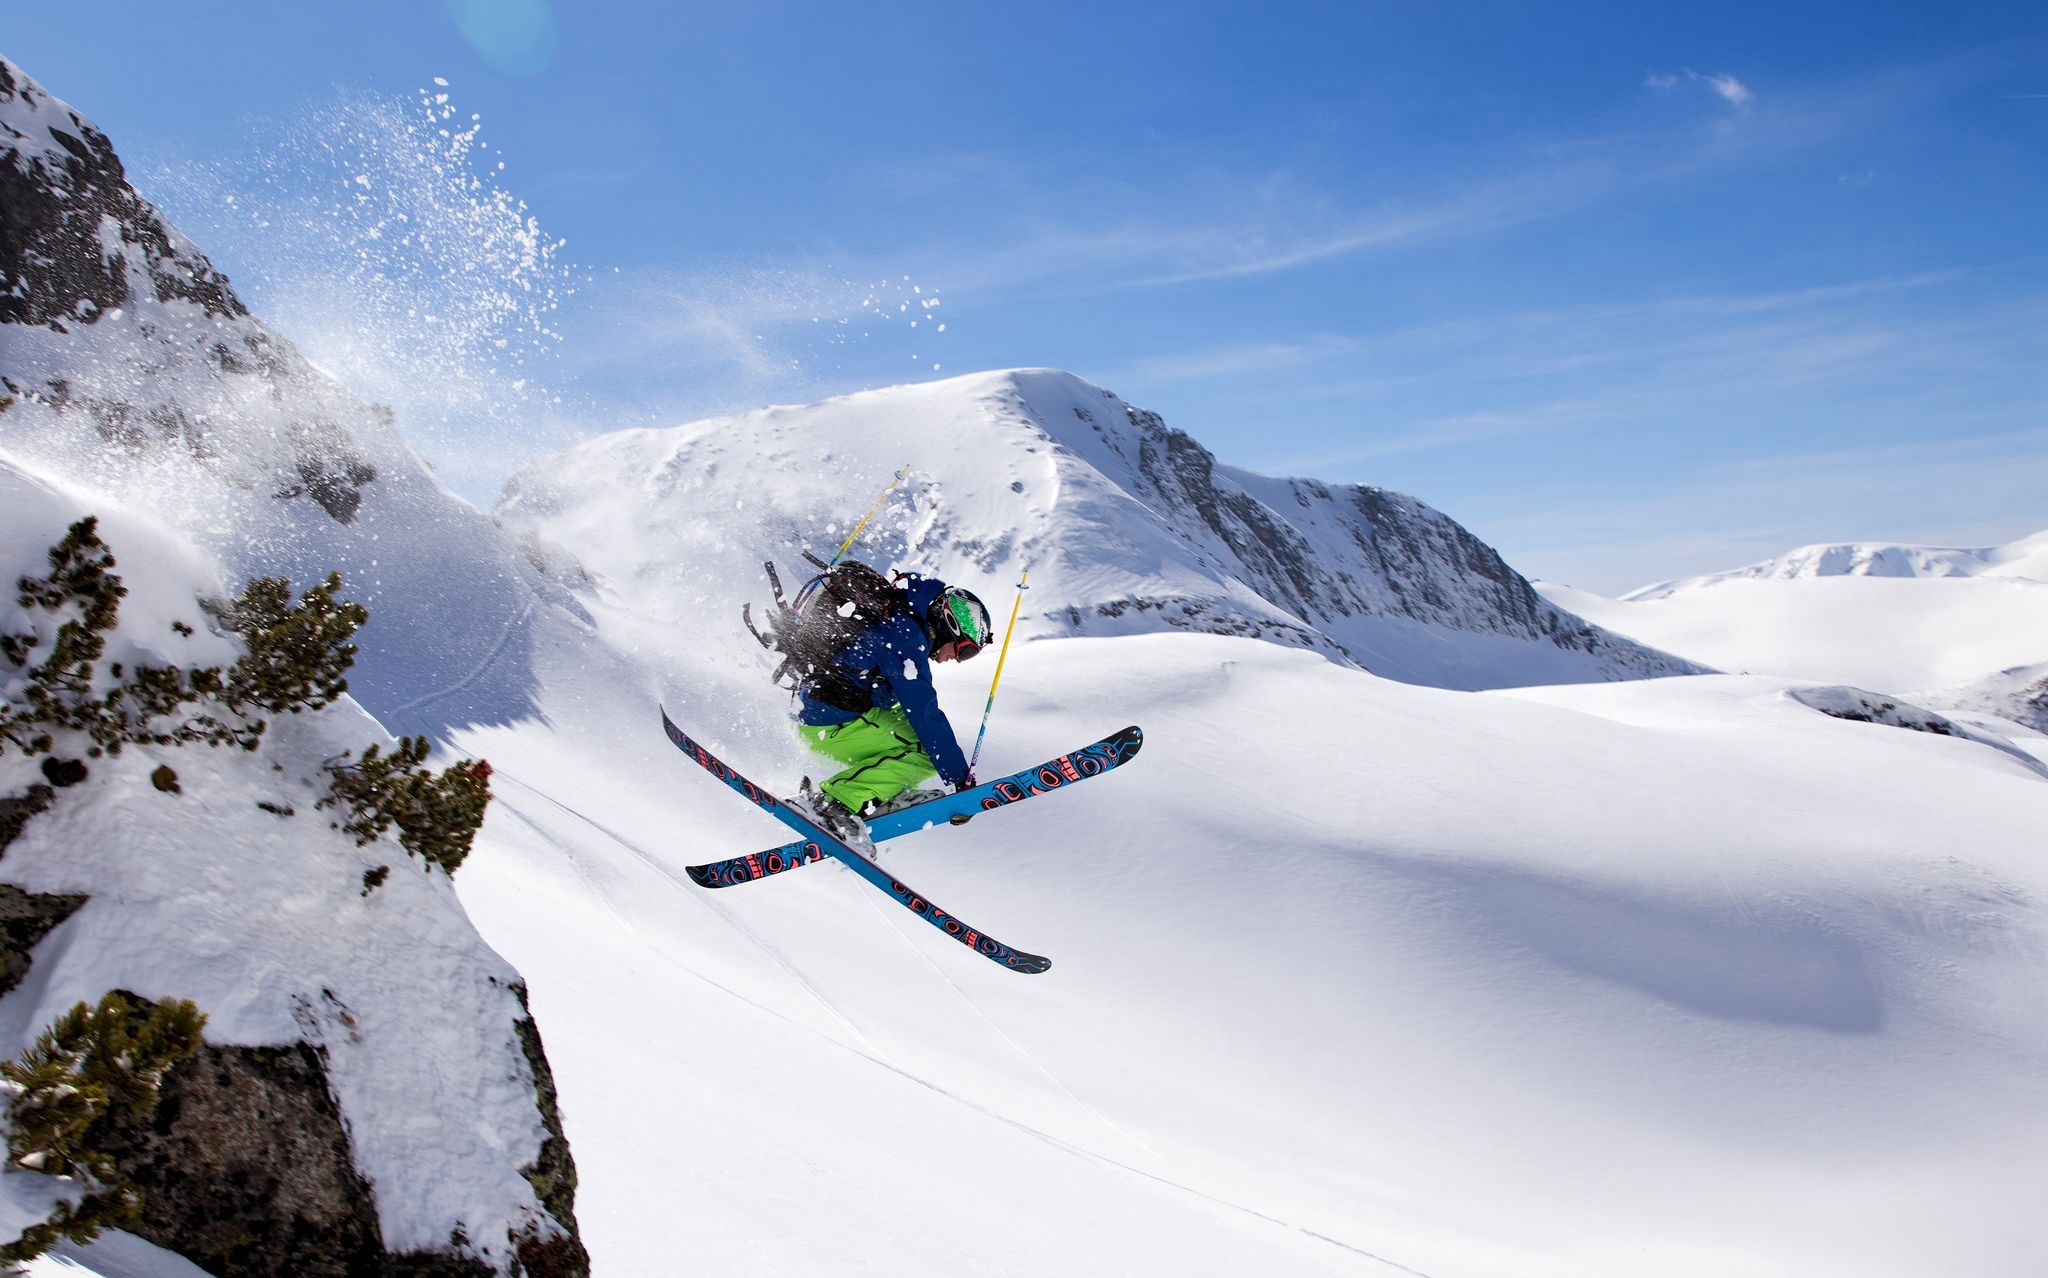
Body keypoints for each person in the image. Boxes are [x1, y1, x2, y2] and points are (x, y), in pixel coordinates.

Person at [784, 571, 992, 845]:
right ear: (949, 624)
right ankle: (832, 805)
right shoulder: (905, 636)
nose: (956, 659)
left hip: (823, 709)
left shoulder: (900, 615)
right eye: (964, 651)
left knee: (920, 741)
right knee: (925, 753)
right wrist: (959, 776)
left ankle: (878, 795)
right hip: (829, 722)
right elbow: (922, 710)